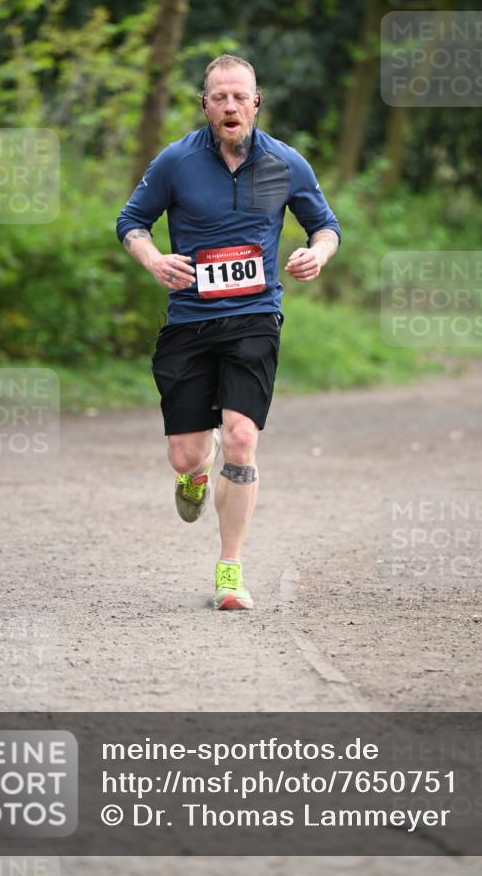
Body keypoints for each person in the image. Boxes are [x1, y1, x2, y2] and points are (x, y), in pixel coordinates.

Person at [116, 54, 340, 610]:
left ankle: (230, 569)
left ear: (256, 102)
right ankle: (195, 471)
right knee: (186, 456)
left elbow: (327, 226)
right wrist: (153, 260)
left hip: (255, 317)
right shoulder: (175, 162)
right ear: (205, 105)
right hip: (190, 320)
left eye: (241, 96)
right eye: (220, 97)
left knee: (242, 437)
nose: (231, 105)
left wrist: (318, 253)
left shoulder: (287, 164)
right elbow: (131, 222)